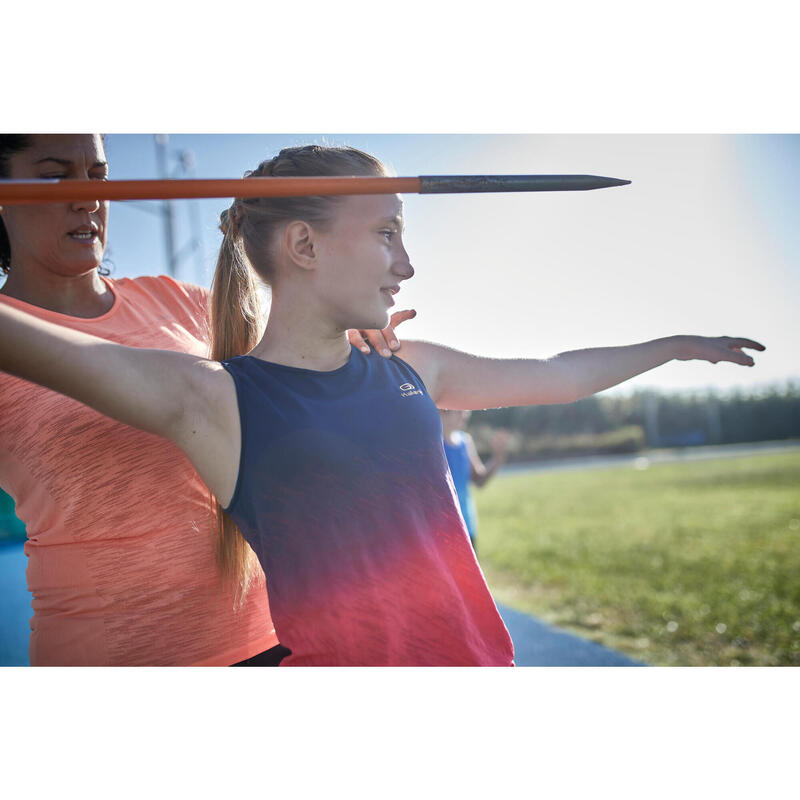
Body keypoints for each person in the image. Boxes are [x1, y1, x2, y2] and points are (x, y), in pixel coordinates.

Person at [0, 143, 765, 666]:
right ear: (303, 246)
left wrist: (668, 346)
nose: (406, 263)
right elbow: (45, 348)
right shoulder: (217, 400)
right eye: (387, 233)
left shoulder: (412, 369)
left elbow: (558, 373)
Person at [0, 134, 411, 666]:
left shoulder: (182, 303)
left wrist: (337, 349)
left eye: (98, 177)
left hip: (272, 635)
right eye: (55, 175)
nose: (88, 198)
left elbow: (291, 389)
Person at [441, 410, 508, 554]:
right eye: (460, 410)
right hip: (441, 529)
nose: (466, 414)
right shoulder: (433, 444)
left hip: (467, 526)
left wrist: (498, 457)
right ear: (443, 411)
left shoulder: (466, 441)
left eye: (467, 410)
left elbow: (479, 481)